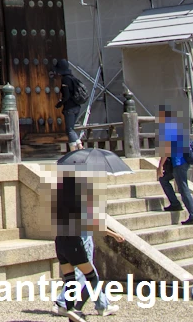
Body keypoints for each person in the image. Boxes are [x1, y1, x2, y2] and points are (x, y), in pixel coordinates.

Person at [52, 171, 124, 321]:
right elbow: (95, 224)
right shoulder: (80, 203)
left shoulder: (60, 201)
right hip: (74, 243)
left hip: (60, 242)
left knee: (71, 278)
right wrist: (114, 235)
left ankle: (71, 310)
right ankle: (76, 309)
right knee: (92, 278)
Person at [156, 106, 193, 225]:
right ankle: (175, 203)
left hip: (179, 163)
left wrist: (160, 167)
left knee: (183, 188)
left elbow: (166, 151)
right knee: (164, 179)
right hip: (182, 163)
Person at [53, 60, 85, 151]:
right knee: (72, 128)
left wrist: (60, 103)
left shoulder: (65, 80)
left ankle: (74, 149)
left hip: (69, 108)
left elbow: (66, 95)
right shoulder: (73, 78)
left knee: (69, 129)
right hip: (77, 106)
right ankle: (79, 146)